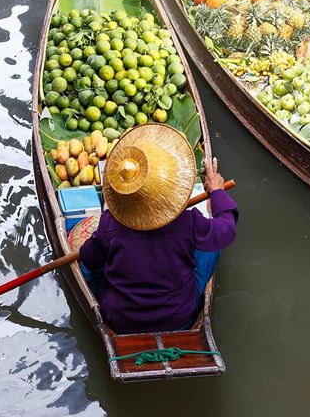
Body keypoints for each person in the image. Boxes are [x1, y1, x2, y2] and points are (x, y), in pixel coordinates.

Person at [79, 124, 238, 335]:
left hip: (120, 318)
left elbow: (89, 258)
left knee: (88, 266)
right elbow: (226, 230)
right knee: (210, 246)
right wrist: (217, 192)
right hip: (178, 316)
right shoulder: (189, 221)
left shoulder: (110, 223)